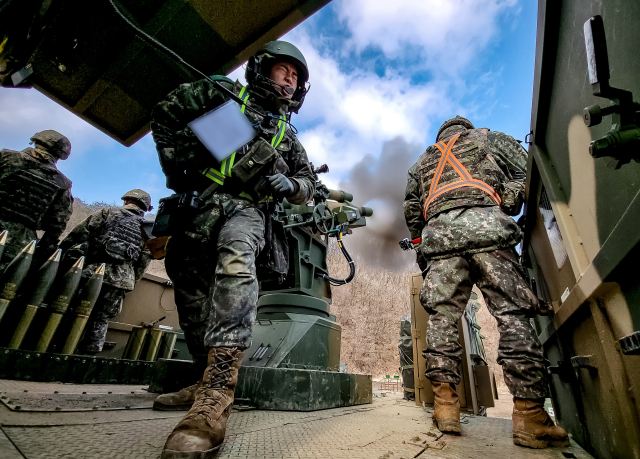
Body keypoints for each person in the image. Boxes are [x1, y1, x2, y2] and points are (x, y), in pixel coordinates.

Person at [150, 40, 315, 457]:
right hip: (200, 203)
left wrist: (293, 186)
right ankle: (202, 379)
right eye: (284, 70)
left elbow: (309, 182)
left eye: (296, 76)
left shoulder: (287, 136)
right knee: (187, 284)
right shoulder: (222, 94)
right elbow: (166, 111)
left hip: (249, 211)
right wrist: (180, 167)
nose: (291, 79)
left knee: (237, 265)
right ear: (262, 68)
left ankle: (217, 394)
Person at [403, 116, 569, 449]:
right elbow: (529, 171)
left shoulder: (422, 159)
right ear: (466, 128)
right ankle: (529, 415)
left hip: (441, 242)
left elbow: (412, 211)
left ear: (441, 136)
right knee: (512, 316)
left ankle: (445, 406)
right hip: (489, 231)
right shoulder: (488, 138)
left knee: (442, 319)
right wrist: (507, 199)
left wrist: (425, 254)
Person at [58, 189, 152, 354]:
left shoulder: (107, 212)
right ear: (145, 208)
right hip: (120, 281)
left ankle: (61, 349)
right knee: (101, 319)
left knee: (75, 311)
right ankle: (88, 356)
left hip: (91, 273)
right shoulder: (147, 228)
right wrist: (130, 280)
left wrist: (63, 259)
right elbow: (143, 261)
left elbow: (79, 236)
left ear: (126, 200)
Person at [0, 130, 73, 273]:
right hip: (17, 247)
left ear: (35, 142)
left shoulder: (6, 157)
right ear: (60, 156)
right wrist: (41, 251)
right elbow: (57, 224)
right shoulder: (63, 183)